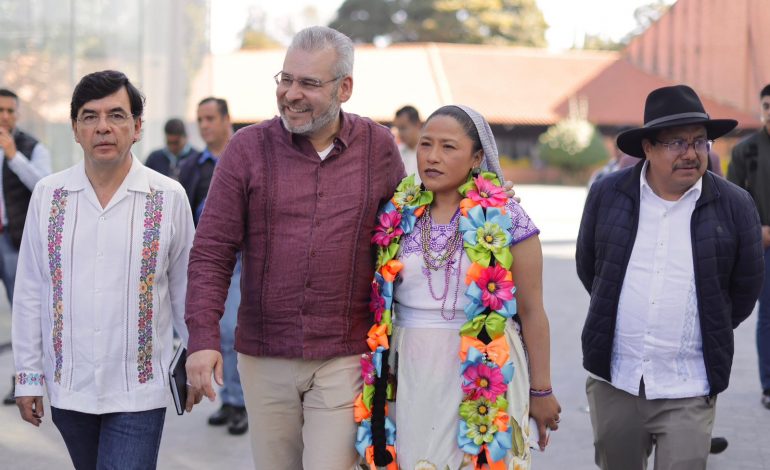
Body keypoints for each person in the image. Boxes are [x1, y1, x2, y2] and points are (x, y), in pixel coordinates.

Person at [11, 70, 195, 469]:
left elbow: (185, 286)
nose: (104, 128)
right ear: (75, 129)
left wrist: (196, 354)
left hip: (139, 390)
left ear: (137, 127)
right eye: (90, 117)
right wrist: (27, 376)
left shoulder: (168, 197)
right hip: (69, 388)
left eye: (116, 115)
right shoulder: (48, 196)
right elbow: (29, 290)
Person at [576, 84, 764, 470]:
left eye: (699, 141)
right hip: (618, 378)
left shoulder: (735, 205)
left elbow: (744, 288)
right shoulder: (606, 194)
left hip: (689, 382)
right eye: (676, 142)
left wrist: (708, 320)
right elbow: (590, 268)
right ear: (647, 147)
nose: (691, 153)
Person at [365, 104, 560, 469]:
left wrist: (541, 390)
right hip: (409, 371)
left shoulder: (507, 219)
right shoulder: (396, 212)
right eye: (425, 145)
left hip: (486, 369)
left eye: (448, 147)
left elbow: (533, 311)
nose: (432, 157)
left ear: (477, 158)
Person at [178, 97, 247, 435]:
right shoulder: (195, 165)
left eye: (210, 118)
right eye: (200, 119)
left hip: (243, 259)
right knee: (218, 332)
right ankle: (230, 400)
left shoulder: (247, 156)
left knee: (234, 330)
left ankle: (241, 401)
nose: (204, 125)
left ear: (225, 119)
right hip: (210, 258)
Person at [0, 88, 52, 405]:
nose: (4, 116)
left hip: (14, 240)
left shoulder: (32, 147)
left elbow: (43, 187)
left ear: (18, 114)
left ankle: (23, 380)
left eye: (10, 111)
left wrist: (13, 156)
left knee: (22, 313)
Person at [727, 83, 770, 410]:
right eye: (767, 105)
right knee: (767, 317)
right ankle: (768, 385)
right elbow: (730, 205)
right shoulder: (746, 151)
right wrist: (755, 231)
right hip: (762, 249)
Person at [393, 105, 422, 183]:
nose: (400, 133)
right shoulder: (397, 152)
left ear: (417, 124)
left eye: (403, 128)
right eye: (398, 128)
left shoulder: (430, 151)